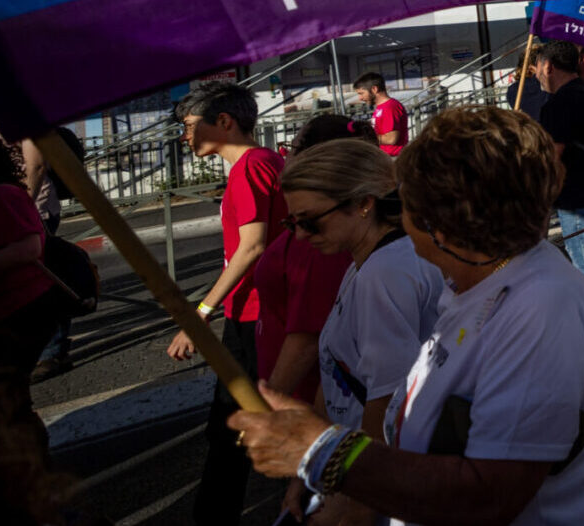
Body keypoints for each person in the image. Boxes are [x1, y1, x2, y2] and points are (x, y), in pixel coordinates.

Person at [234, 107, 584, 526]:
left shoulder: (539, 307)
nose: (398, 214)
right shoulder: (478, 283)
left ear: (446, 216)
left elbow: (490, 496)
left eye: (404, 199)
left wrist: (323, 452)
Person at [277, 137, 443, 519]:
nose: (300, 235)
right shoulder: (368, 262)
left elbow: (386, 406)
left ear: (364, 203)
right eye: (291, 223)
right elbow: (336, 376)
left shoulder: (381, 274)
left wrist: (351, 508)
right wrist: (308, 472)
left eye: (309, 221)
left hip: (381, 485)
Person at [166, 80, 284, 526]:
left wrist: (199, 315)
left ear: (224, 122)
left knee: (229, 427)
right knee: (243, 422)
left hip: (253, 313)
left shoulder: (251, 166)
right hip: (261, 312)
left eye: (191, 126)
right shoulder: (265, 161)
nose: (186, 136)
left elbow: (251, 248)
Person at [252, 115, 361, 405]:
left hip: (305, 399)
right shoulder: (322, 226)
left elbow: (310, 334)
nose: (286, 156)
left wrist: (271, 402)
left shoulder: (322, 238)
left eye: (293, 148)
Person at [0, 131, 62, 457]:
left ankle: (35, 481)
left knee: (8, 401)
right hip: (1, 311)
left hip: (17, 311)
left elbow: (29, 248)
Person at [532, 40, 584, 289]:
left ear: (549, 66)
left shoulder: (558, 103)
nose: (537, 75)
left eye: (538, 67)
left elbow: (553, 157)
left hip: (577, 201)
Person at [353, 72, 410, 156]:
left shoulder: (389, 107)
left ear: (374, 89)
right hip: (386, 158)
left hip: (393, 159)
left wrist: (362, 138)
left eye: (361, 93)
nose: (360, 98)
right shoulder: (382, 107)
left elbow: (391, 139)